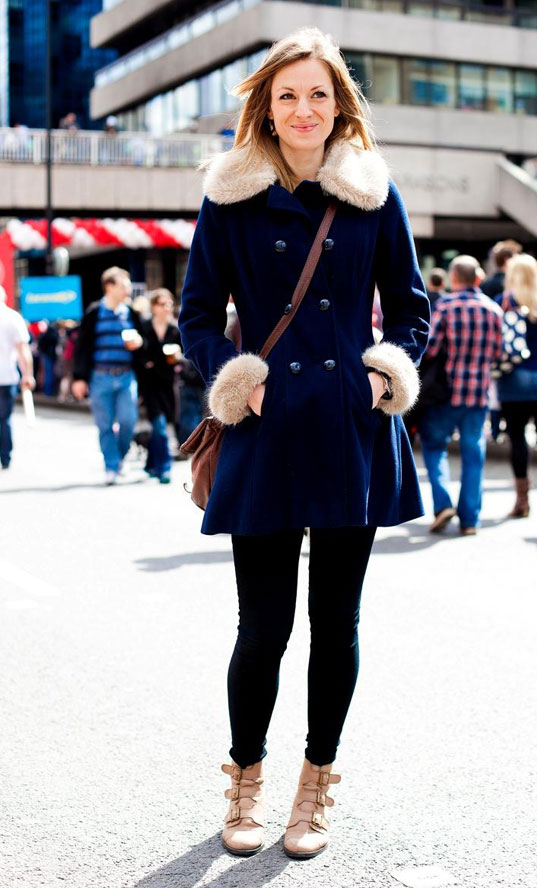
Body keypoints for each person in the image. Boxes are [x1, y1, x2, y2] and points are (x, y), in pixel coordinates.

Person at [178, 27, 430, 861]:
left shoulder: (371, 190)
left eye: (318, 93)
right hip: (264, 425)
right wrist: (236, 380)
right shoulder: (229, 194)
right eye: (288, 93)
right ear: (266, 105)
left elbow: (410, 306)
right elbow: (195, 314)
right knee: (263, 626)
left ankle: (315, 784)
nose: (303, 108)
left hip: (350, 428)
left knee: (337, 622)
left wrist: (383, 375)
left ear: (340, 104)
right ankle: (245, 778)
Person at [419, 255, 503, 535]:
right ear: (477, 278)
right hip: (478, 394)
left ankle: (443, 504)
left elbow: (429, 349)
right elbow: (498, 353)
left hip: (445, 392)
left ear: (454, 278)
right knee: (473, 453)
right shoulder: (493, 310)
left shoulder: (445, 306)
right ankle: (469, 520)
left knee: (434, 447)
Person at [494, 255, 537, 517]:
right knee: (528, 432)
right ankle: (524, 495)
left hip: (511, 375)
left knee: (516, 435)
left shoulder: (503, 302)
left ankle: (522, 497)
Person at [72, 267, 144, 485]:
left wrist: (139, 343)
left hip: (126, 376)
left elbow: (144, 344)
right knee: (104, 425)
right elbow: (82, 347)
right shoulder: (94, 312)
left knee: (128, 420)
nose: (128, 290)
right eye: (124, 285)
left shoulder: (131, 314)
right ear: (109, 287)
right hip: (100, 377)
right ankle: (111, 466)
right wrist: (79, 378)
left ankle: (119, 459)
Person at [140, 288, 182, 483]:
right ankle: (165, 468)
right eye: (163, 304)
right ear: (154, 307)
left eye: (170, 304)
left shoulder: (175, 330)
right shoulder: (144, 327)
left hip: (168, 385)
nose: (167, 308)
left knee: (161, 427)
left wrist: (177, 358)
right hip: (149, 385)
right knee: (160, 428)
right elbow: (137, 353)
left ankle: (150, 464)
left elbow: (184, 355)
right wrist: (144, 362)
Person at [0, 285, 35, 469]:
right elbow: (23, 351)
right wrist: (27, 374)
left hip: (7, 377)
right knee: (4, 419)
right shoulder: (13, 318)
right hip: (7, 377)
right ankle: (5, 457)